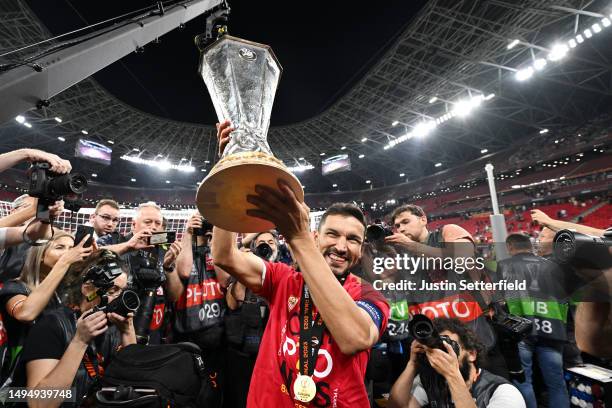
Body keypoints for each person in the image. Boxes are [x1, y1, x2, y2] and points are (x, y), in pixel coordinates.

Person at [386, 204, 503, 377]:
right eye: (397, 226)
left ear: (423, 219)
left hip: (476, 335)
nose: (401, 228)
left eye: (405, 221)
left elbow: (463, 256)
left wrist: (413, 246)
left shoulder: (447, 231)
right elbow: (385, 280)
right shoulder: (406, 257)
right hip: (439, 343)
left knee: (488, 391)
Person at [21, 250, 136, 407]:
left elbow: (135, 381)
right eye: (112, 291)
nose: (119, 298)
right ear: (87, 289)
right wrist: (80, 341)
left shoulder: (112, 328)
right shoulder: (52, 325)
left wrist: (127, 331)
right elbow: (39, 403)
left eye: (122, 291)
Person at [0, 231, 93, 392]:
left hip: (58, 372)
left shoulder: (66, 291)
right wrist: (63, 262)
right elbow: (26, 314)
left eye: (71, 248)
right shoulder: (15, 287)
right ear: (40, 254)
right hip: (17, 385)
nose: (68, 252)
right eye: (60, 247)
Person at [496, 233, 569, 408]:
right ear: (530, 246)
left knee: (523, 380)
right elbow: (564, 300)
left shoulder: (504, 265)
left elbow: (500, 301)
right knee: (556, 383)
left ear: (510, 247)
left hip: (521, 332)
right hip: (551, 328)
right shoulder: (552, 266)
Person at [388, 318, 525, 408]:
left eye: (451, 345)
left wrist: (452, 374)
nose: (446, 353)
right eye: (440, 348)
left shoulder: (503, 392)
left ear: (471, 354)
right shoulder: (432, 381)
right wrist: (413, 364)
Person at [102, 202, 182, 344]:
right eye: (148, 222)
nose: (154, 226)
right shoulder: (116, 240)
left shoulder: (165, 251)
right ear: (133, 225)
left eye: (158, 223)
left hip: (153, 332)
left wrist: (169, 267)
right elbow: (89, 256)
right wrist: (127, 247)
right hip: (115, 331)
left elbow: (174, 295)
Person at [174, 212, 228, 407]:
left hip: (216, 334)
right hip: (187, 334)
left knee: (213, 391)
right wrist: (188, 233)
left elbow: (224, 279)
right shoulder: (183, 247)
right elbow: (184, 271)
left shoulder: (216, 250)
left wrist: (215, 239)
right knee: (189, 390)